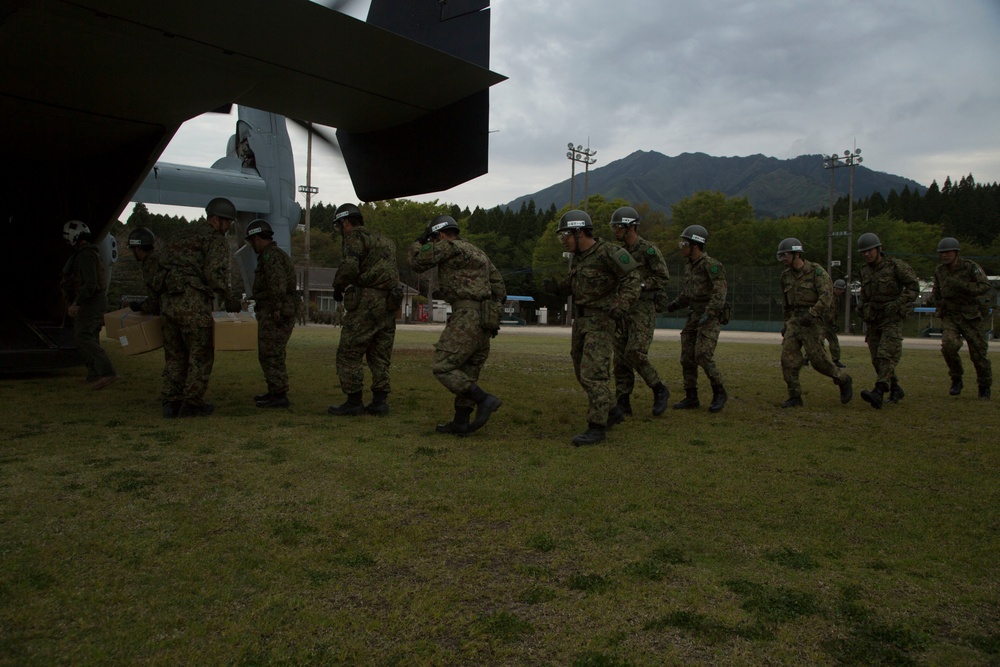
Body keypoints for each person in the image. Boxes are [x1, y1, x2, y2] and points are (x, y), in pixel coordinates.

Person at [407, 215, 505, 434]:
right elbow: (499, 287)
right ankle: (461, 421)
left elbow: (416, 262)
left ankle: (485, 400)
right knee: (468, 369)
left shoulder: (448, 247)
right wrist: (492, 313)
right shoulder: (478, 252)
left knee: (443, 366)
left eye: (433, 238)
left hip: (466, 315)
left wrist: (419, 242)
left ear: (440, 235)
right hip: (485, 319)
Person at [557, 209, 640, 446]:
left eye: (566, 235)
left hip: (601, 322)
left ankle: (597, 427)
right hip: (581, 322)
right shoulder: (577, 258)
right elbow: (575, 285)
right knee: (580, 370)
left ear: (579, 232)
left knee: (594, 374)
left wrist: (622, 305)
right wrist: (558, 287)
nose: (564, 240)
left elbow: (633, 279)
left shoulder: (609, 253)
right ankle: (612, 410)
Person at [159, 197, 243, 417]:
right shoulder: (214, 239)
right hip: (193, 303)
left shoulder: (180, 236)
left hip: (168, 303)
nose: (228, 228)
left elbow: (159, 267)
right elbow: (214, 274)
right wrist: (229, 297)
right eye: (227, 222)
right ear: (215, 220)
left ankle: (170, 401)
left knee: (175, 355)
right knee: (200, 353)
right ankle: (192, 403)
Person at [327, 203, 399, 417]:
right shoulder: (386, 240)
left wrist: (338, 286)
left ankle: (353, 401)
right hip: (388, 303)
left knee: (349, 351)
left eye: (339, 226)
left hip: (366, 301)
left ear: (345, 222)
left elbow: (350, 267)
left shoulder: (354, 237)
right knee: (380, 354)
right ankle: (380, 401)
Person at [608, 206, 671, 417]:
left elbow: (663, 278)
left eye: (618, 227)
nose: (614, 231)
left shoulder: (648, 250)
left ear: (630, 227)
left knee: (634, 352)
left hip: (642, 308)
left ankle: (659, 389)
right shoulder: (619, 252)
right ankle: (623, 402)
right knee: (620, 358)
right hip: (623, 308)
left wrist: (641, 285)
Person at [776, 238, 853, 408]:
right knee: (787, 359)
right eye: (781, 255)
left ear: (797, 254)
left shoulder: (816, 272)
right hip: (795, 321)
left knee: (818, 360)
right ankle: (795, 396)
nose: (783, 258)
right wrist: (787, 323)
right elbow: (786, 303)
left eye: (786, 254)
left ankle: (843, 379)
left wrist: (813, 314)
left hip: (813, 321)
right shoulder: (785, 276)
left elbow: (827, 296)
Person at [665, 225, 729, 412]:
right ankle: (691, 396)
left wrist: (709, 314)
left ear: (695, 245)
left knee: (702, 355)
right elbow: (688, 294)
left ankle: (719, 392)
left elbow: (720, 292)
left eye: (684, 243)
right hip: (694, 315)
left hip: (710, 316)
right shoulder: (690, 267)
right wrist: (672, 305)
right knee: (686, 358)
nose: (681, 247)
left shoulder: (712, 265)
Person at [856, 232, 919, 409]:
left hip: (892, 318)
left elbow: (914, 287)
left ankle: (879, 391)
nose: (867, 254)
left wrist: (899, 303)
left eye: (869, 250)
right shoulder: (864, 270)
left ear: (878, 249)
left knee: (886, 355)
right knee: (876, 358)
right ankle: (895, 388)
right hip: (874, 319)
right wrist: (861, 305)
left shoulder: (895, 266)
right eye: (863, 252)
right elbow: (864, 293)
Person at [245, 220, 298, 408]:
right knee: (271, 353)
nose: (252, 245)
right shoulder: (273, 255)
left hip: (275, 313)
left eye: (252, 241)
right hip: (276, 311)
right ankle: (275, 391)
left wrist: (275, 311)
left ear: (258, 238)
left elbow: (278, 287)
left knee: (271, 353)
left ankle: (279, 395)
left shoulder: (270, 257)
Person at [931, 237, 993, 399]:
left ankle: (984, 385)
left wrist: (962, 286)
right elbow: (936, 290)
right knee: (948, 346)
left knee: (978, 354)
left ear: (956, 253)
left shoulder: (970, 267)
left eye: (947, 252)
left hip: (971, 316)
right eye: (942, 253)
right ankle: (956, 378)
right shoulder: (940, 270)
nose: (944, 256)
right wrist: (935, 300)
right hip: (951, 315)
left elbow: (985, 286)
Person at [61, 220, 118, 389]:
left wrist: (77, 303)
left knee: (83, 336)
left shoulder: (85, 256)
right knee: (90, 336)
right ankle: (94, 374)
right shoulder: (88, 253)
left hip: (92, 301)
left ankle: (107, 372)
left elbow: (90, 284)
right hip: (95, 301)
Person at [126, 227, 165, 316]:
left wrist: (141, 306)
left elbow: (155, 299)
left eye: (132, 249)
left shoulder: (150, 264)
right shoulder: (160, 258)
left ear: (138, 248)